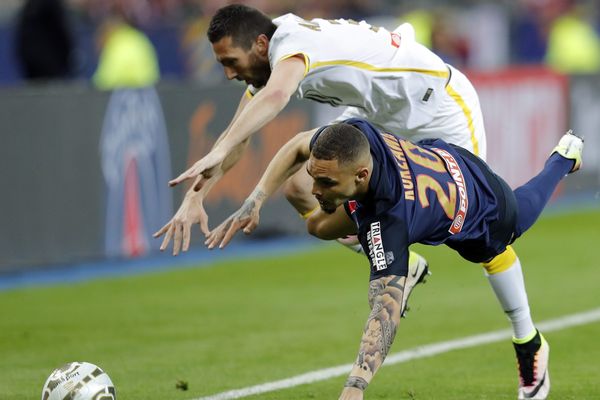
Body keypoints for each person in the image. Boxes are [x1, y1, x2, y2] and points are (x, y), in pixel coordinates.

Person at [153, 5, 541, 394]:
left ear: (259, 44)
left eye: (230, 62)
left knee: (481, 230)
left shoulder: (290, 48)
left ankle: (529, 343)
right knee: (298, 188)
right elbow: (236, 136)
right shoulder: (269, 60)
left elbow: (276, 97)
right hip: (381, 115)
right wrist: (196, 195)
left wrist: (224, 161)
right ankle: (402, 262)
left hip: (437, 106)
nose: (228, 73)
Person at [205, 118, 584, 400]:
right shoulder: (354, 135)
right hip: (439, 158)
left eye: (327, 184)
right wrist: (255, 199)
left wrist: (355, 385)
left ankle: (562, 159)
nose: (317, 188)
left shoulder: (390, 220)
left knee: (517, 219)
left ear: (361, 174)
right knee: (307, 211)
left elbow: (383, 313)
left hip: (478, 206)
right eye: (316, 178)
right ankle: (404, 265)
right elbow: (299, 146)